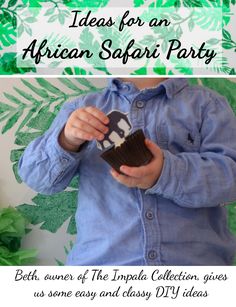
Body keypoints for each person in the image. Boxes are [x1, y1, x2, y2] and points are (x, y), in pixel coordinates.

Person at [18, 78, 236, 265]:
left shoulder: (207, 104)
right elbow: (37, 179)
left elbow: (230, 178)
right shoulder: (81, 109)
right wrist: (66, 140)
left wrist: (166, 173)